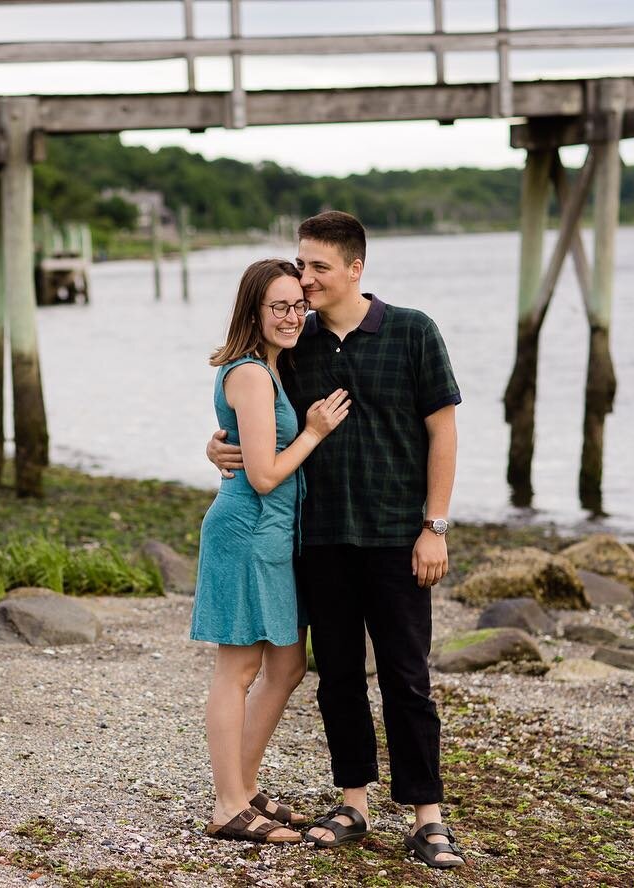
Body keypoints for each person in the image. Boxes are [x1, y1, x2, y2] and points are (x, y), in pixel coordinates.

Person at [207, 212, 465, 868]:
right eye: (301, 265)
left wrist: (434, 526)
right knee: (339, 679)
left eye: (318, 267)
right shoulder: (299, 341)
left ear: (355, 268)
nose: (305, 278)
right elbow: (256, 410)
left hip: (395, 537)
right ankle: (353, 801)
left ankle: (427, 815)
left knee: (406, 677)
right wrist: (218, 447)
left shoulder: (412, 330)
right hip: (318, 539)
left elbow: (443, 431)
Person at [192, 258, 350, 845]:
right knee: (237, 669)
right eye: (277, 306)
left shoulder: (270, 368)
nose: (291, 316)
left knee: (286, 665)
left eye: (297, 305)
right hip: (248, 532)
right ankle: (229, 806)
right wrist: (313, 432)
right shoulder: (253, 375)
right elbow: (262, 476)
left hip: (275, 537)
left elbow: (246, 446)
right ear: (253, 312)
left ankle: (245, 785)